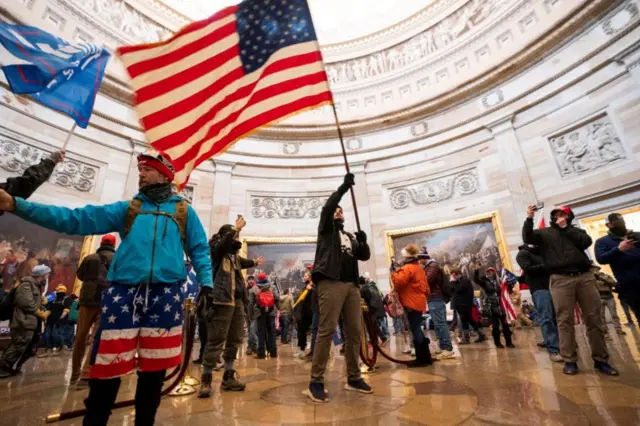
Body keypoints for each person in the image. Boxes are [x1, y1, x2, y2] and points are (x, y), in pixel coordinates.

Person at [0, 151, 213, 424]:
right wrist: (17, 205)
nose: (141, 175)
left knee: (154, 372)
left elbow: (200, 250)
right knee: (106, 369)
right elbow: (74, 219)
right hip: (123, 294)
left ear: (164, 175)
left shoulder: (184, 212)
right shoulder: (129, 208)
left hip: (166, 294)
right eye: (140, 170)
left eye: (147, 170)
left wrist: (206, 284)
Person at [523, 205, 618, 376]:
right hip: (560, 279)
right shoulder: (545, 233)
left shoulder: (575, 232)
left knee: (593, 318)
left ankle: (601, 359)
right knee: (564, 320)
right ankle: (570, 359)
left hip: (584, 277)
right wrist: (529, 218)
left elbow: (586, 242)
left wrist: (565, 228)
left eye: (563, 215)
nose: (559, 217)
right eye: (556, 215)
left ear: (569, 217)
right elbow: (528, 236)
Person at [306, 173, 372, 402]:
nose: (338, 212)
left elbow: (364, 256)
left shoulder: (349, 236)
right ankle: (316, 380)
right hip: (330, 282)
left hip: (351, 285)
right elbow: (328, 207)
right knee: (326, 330)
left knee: (355, 331)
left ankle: (354, 376)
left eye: (341, 210)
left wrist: (363, 241)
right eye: (337, 210)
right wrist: (344, 188)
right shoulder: (326, 231)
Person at [198, 217, 264, 398]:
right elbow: (223, 245)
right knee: (216, 339)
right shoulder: (217, 252)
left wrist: (255, 263)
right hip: (221, 300)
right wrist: (236, 228)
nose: (235, 241)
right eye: (232, 237)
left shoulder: (234, 257)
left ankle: (228, 376)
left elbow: (244, 262)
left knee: (235, 338)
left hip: (237, 302)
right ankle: (206, 379)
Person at [71, 234, 116, 388]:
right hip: (106, 301)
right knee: (96, 338)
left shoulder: (89, 258)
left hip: (87, 300)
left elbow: (80, 275)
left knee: (80, 337)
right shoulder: (116, 258)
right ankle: (86, 374)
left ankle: (74, 374)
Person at [0, 264, 51, 378]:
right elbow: (25, 302)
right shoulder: (26, 284)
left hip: (30, 322)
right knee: (18, 344)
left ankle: (13, 366)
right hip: (22, 321)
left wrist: (41, 303)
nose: (48, 276)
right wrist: (39, 312)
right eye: (47, 273)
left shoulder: (36, 285)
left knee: (27, 347)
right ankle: (3, 367)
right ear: (41, 274)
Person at [516, 244, 562, 361]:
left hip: (555, 286)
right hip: (539, 289)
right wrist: (548, 266)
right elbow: (528, 269)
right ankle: (554, 349)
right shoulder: (523, 254)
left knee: (559, 318)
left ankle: (558, 342)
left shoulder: (544, 251)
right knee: (546, 318)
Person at [390, 244, 433, 368]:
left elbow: (399, 282)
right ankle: (425, 357)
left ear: (407, 257)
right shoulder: (418, 268)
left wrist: (393, 273)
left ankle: (422, 358)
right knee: (416, 327)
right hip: (418, 301)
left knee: (415, 328)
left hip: (411, 302)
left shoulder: (408, 268)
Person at [594, 212, 640, 326]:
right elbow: (601, 259)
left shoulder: (637, 235)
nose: (620, 225)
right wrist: (619, 249)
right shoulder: (602, 242)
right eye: (616, 223)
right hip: (630, 286)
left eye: (621, 222)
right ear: (608, 225)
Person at [418, 246, 455, 359]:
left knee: (441, 324)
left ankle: (447, 348)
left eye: (420, 258)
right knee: (438, 324)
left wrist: (418, 274)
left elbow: (427, 280)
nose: (419, 261)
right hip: (432, 298)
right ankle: (442, 346)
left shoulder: (432, 266)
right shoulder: (429, 266)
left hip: (436, 297)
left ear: (425, 258)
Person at [474, 267, 514, 349]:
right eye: (488, 271)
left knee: (505, 325)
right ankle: (497, 343)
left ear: (495, 272)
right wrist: (476, 271)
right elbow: (476, 280)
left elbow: (507, 290)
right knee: (495, 327)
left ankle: (509, 342)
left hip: (501, 305)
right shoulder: (484, 281)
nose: (490, 273)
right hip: (492, 306)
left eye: (492, 271)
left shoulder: (500, 280)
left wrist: (510, 285)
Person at [450, 266, 486, 344]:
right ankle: (481, 334)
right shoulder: (459, 281)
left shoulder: (465, 280)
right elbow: (452, 290)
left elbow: (458, 290)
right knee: (469, 320)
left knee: (465, 321)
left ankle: (466, 339)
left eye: (453, 275)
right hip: (461, 304)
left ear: (457, 274)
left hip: (465, 304)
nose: (453, 277)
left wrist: (452, 282)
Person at [591, 265, 625, 338]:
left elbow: (613, 283)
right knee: (601, 316)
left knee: (614, 314)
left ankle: (618, 329)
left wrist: (604, 279)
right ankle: (605, 332)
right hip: (599, 298)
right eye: (592, 269)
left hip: (609, 297)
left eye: (595, 268)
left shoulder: (605, 276)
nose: (594, 270)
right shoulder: (591, 279)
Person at [251, 272, 280, 359]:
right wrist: (278, 308)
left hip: (260, 312)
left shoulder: (255, 288)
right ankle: (273, 352)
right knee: (272, 332)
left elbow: (251, 303)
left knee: (261, 333)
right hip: (271, 312)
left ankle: (261, 353)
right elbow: (277, 298)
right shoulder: (272, 286)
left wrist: (251, 314)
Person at [360, 275, 388, 346]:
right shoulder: (370, 287)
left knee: (372, 325)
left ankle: (382, 338)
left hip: (373, 308)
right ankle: (375, 340)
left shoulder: (363, 289)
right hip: (377, 307)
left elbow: (364, 300)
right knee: (373, 324)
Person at [294, 270, 314, 358]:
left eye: (305, 276)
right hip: (303, 312)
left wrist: (312, 289)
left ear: (310, 277)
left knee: (306, 331)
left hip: (309, 312)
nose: (304, 277)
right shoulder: (305, 287)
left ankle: (308, 350)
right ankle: (302, 349)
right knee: (301, 332)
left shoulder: (312, 287)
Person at [244, 275, 258, 356]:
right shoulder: (245, 290)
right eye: (249, 279)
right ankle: (251, 348)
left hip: (254, 314)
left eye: (252, 279)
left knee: (252, 331)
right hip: (247, 314)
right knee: (250, 331)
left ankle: (254, 347)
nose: (251, 281)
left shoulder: (256, 289)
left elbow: (258, 301)